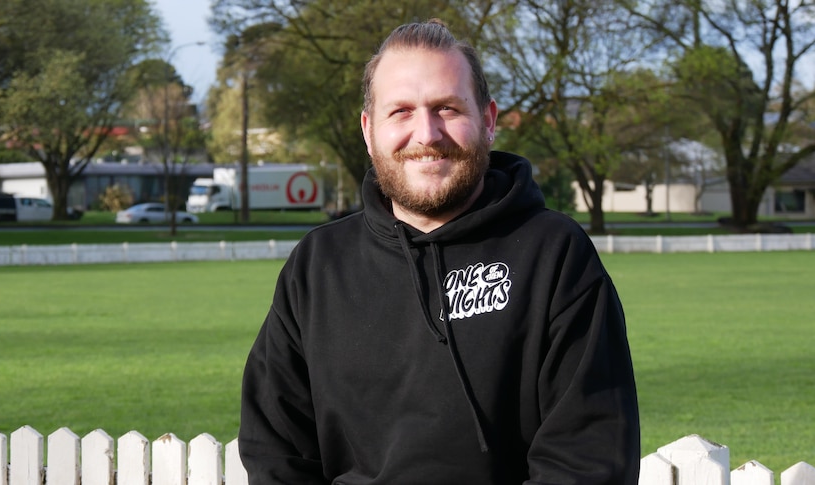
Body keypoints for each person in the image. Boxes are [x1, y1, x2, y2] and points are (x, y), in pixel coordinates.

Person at [239, 19, 640, 484]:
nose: (427, 134)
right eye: (401, 111)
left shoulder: (554, 256)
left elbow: (588, 459)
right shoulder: (317, 266)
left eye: (447, 108)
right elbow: (276, 451)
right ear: (369, 132)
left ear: (487, 121)